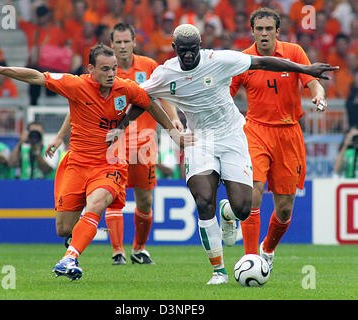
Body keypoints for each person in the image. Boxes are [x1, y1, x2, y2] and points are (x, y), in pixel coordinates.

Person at [121, 23, 336, 285]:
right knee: (203, 201)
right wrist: (120, 126)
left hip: (232, 134)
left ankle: (228, 214)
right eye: (183, 51)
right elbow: (142, 99)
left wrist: (305, 69)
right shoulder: (166, 73)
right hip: (200, 139)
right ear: (174, 48)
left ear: (200, 46)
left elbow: (262, 62)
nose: (188, 55)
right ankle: (219, 271)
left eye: (193, 50)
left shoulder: (219, 59)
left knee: (244, 209)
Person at [0, 44, 192, 281]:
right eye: (105, 69)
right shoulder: (76, 84)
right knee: (63, 229)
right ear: (91, 68)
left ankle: (70, 258)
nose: (111, 74)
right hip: (77, 163)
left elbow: (148, 102)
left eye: (114, 69)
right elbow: (36, 76)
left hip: (110, 162)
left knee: (97, 203)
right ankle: (74, 240)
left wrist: (169, 132)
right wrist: (0, 69)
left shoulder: (124, 87)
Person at [47, 23, 183, 266]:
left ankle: (139, 249)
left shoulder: (148, 66)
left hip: (144, 143)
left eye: (126, 41)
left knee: (145, 200)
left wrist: (173, 120)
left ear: (134, 42)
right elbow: (80, 107)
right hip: (112, 144)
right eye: (117, 42)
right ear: (112, 45)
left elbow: (159, 97)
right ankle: (117, 250)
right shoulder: (103, 72)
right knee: (109, 198)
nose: (122, 46)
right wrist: (60, 136)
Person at [227, 8, 329, 271]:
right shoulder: (244, 60)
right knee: (253, 195)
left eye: (268, 29)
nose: (263, 33)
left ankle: (267, 250)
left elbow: (312, 79)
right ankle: (250, 258)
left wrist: (318, 95)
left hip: (288, 134)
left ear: (277, 32)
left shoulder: (294, 52)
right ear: (252, 32)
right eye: (259, 29)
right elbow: (226, 93)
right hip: (256, 131)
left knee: (284, 210)